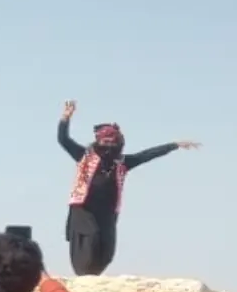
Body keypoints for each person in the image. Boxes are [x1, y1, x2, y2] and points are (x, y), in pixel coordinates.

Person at [56, 99, 198, 276]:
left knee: (107, 247)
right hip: (84, 209)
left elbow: (147, 155)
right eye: (105, 141)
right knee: (91, 238)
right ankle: (83, 274)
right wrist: (65, 117)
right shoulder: (84, 156)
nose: (108, 146)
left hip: (107, 210)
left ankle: (95, 277)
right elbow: (63, 139)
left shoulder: (122, 162)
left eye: (112, 142)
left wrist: (174, 145)